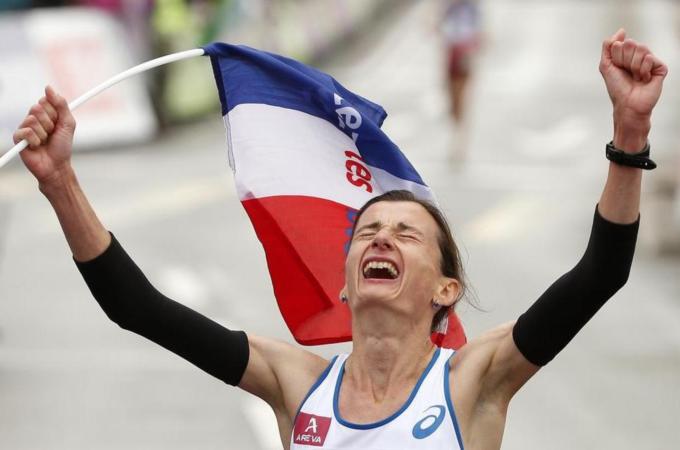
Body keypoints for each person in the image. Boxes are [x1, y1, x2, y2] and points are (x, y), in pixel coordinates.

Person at [13, 29, 667, 449]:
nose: (379, 240)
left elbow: (599, 275)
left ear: (447, 287)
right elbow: (138, 309)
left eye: (405, 234)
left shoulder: (474, 381)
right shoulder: (296, 383)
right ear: (346, 279)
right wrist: (61, 181)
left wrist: (630, 138)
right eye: (367, 233)